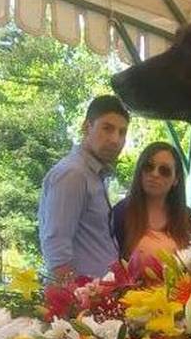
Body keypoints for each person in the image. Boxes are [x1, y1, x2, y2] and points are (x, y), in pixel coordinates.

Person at [39, 95, 129, 281]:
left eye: (122, 132)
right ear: (86, 127)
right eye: (107, 128)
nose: (115, 139)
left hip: (99, 293)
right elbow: (57, 250)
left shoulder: (93, 175)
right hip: (82, 295)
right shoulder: (73, 174)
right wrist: (75, 296)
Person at [110, 141, 191, 261]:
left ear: (176, 179)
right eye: (148, 167)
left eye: (164, 170)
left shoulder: (186, 217)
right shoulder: (121, 212)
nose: (155, 174)